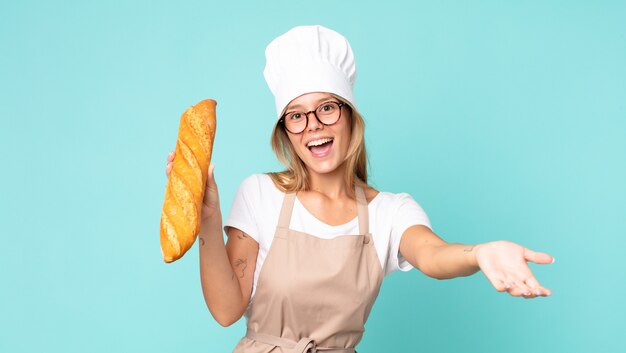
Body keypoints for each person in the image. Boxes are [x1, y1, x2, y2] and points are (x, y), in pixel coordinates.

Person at [165, 25, 554, 353]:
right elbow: (226, 310)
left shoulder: (389, 212)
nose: (313, 124)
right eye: (296, 116)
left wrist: (480, 253)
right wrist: (208, 221)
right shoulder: (260, 194)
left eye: (327, 108)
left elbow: (433, 255)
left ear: (350, 115)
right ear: (286, 132)